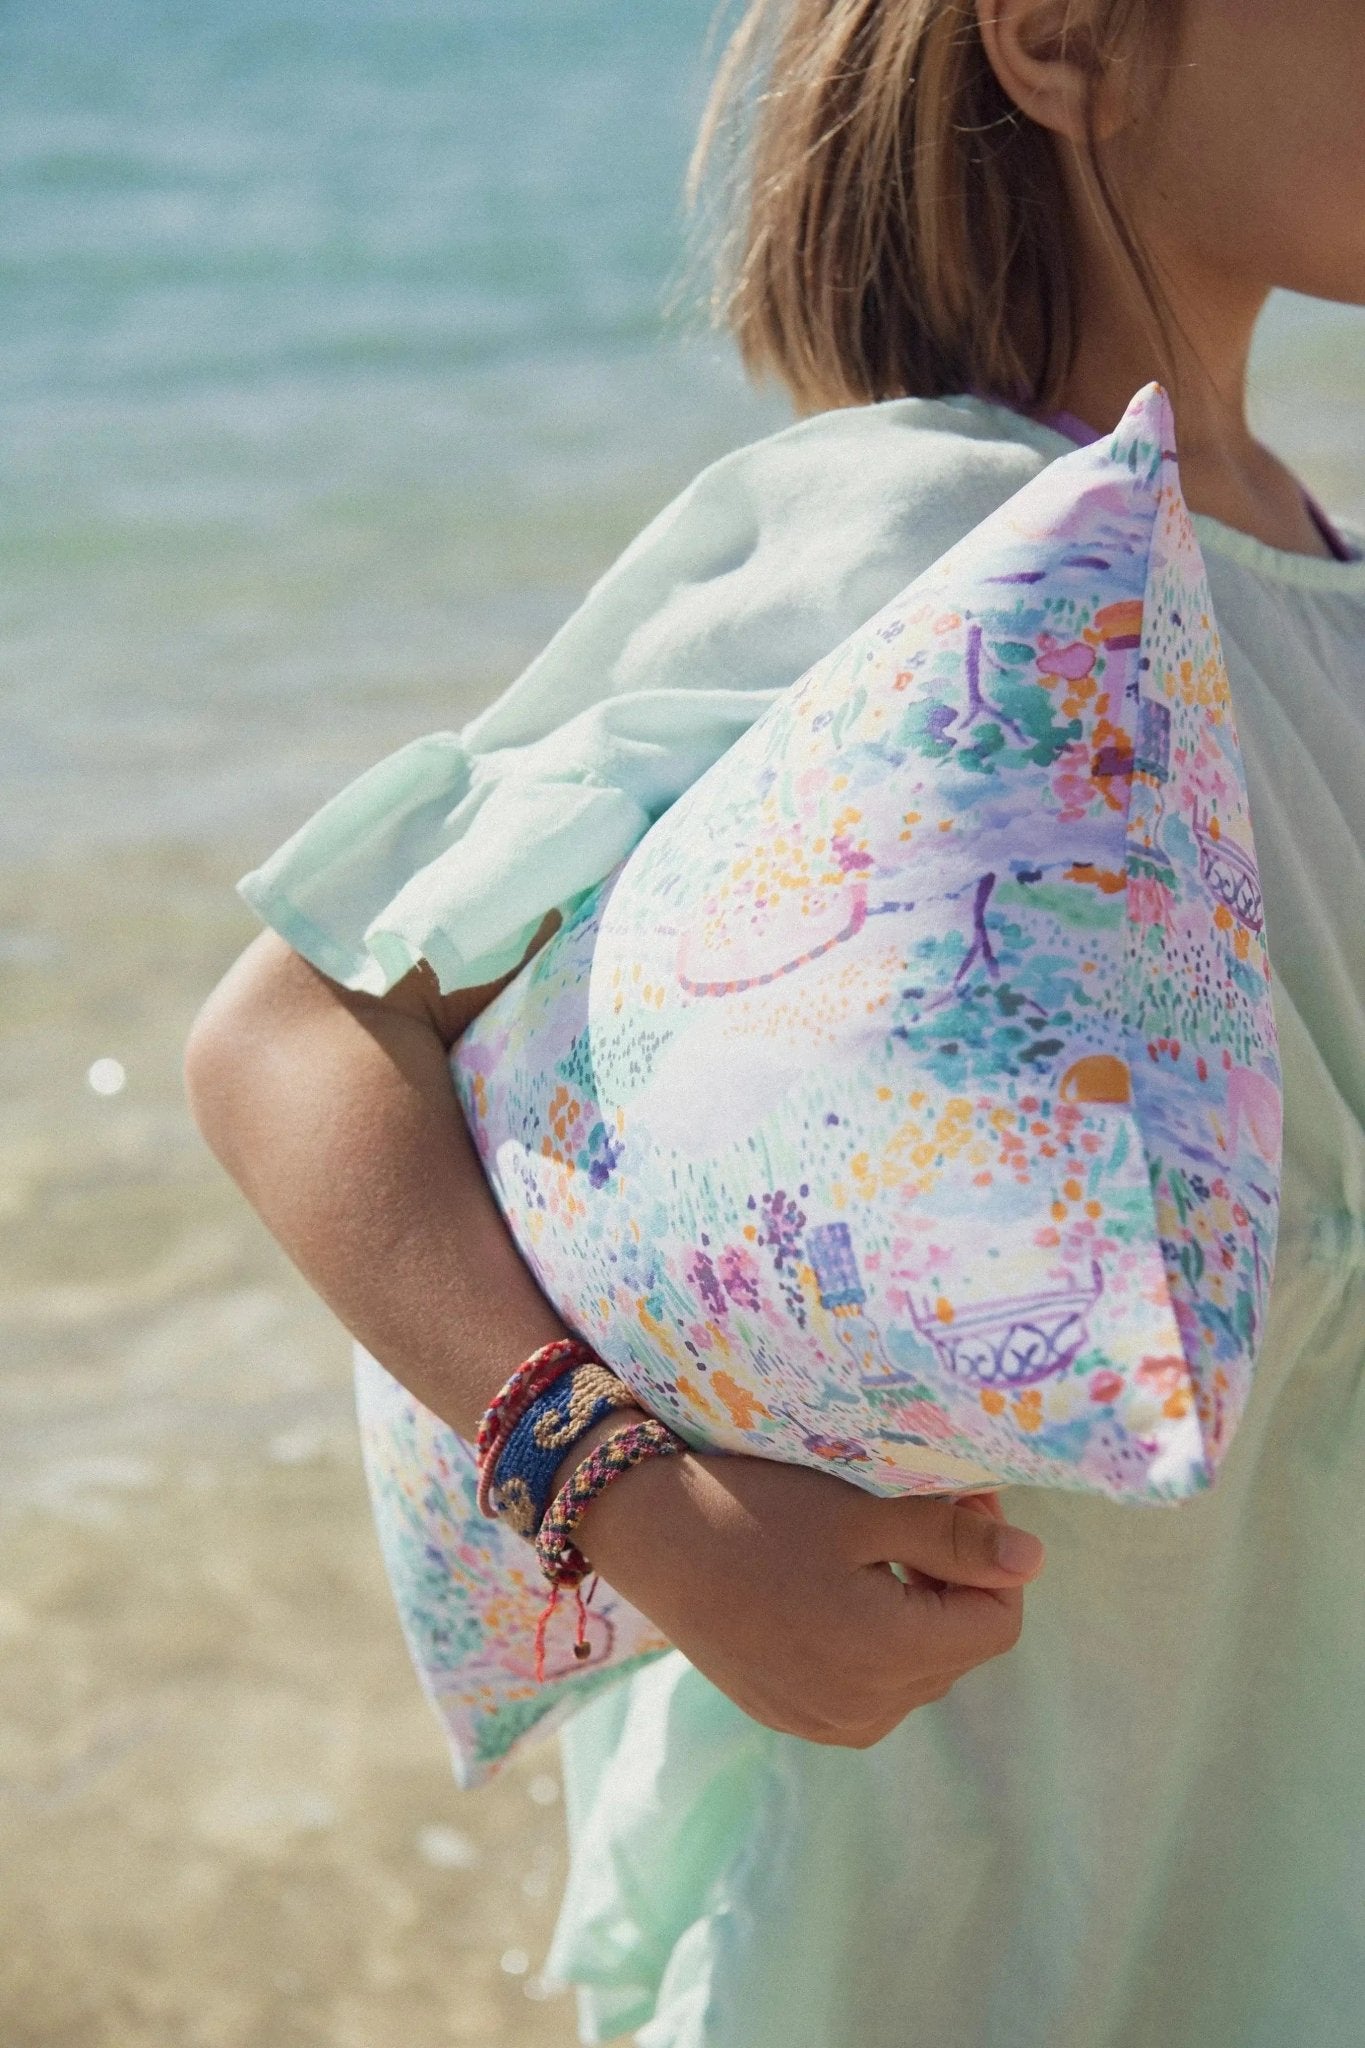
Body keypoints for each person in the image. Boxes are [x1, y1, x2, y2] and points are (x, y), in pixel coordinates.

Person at [185, 1, 1365, 2042]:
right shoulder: (925, 528)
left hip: (1274, 1823)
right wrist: (637, 1505)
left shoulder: (1325, 580)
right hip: (948, 1860)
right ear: (1062, 36)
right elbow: (290, 1038)